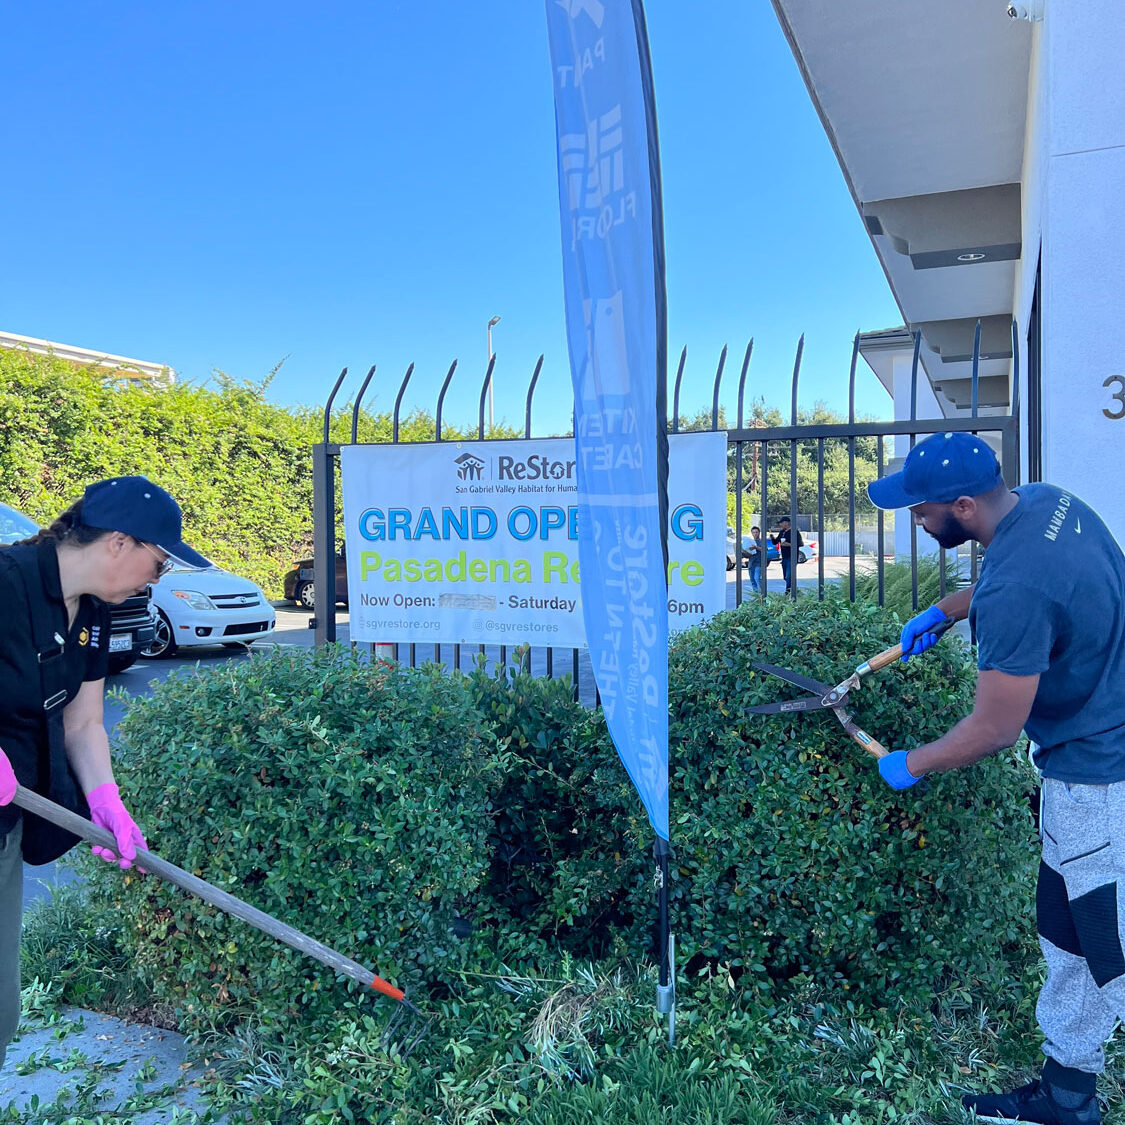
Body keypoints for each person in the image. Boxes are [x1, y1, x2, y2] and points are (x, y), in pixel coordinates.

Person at [867, 431, 1125, 1125]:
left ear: (960, 505)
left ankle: (1070, 1096)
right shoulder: (1044, 503)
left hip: (1096, 779)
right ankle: (1067, 1089)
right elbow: (1035, 580)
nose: (915, 522)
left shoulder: (1015, 588)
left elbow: (992, 729)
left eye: (921, 512)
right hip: (1095, 746)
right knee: (1063, 925)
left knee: (1103, 945)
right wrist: (950, 609)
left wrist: (909, 762)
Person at [0, 476, 209, 1071]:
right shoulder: (6, 580)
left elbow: (83, 722)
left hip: (6, 827)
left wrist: (106, 801)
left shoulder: (93, 611)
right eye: (158, 563)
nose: (155, 579)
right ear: (119, 543)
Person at [772, 517, 803, 594]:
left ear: (786, 523)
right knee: (785, 576)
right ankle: (794, 589)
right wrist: (772, 538)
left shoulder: (794, 532)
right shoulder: (782, 532)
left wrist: (789, 544)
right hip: (784, 557)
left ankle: (788, 591)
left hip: (792, 557)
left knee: (789, 575)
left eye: (781, 523)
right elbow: (776, 542)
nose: (780, 525)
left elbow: (800, 544)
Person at [748, 525, 769, 593]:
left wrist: (756, 548)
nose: (755, 534)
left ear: (759, 533)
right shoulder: (750, 542)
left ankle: (761, 595)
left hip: (759, 563)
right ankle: (756, 595)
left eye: (756, 532)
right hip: (751, 563)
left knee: (757, 579)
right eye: (753, 532)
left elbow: (765, 550)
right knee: (752, 580)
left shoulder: (762, 541)